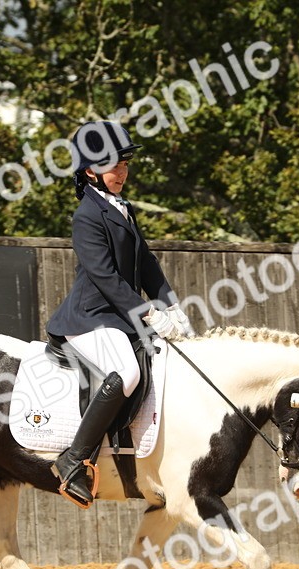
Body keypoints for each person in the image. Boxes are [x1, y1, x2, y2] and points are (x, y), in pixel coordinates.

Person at [45, 120, 191, 508]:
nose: (122, 173)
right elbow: (105, 276)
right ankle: (73, 459)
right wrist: (147, 314)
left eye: (125, 165)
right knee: (126, 372)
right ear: (91, 170)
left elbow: (146, 262)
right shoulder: (86, 216)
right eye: (114, 166)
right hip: (90, 317)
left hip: (120, 316)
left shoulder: (122, 208)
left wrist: (171, 305)